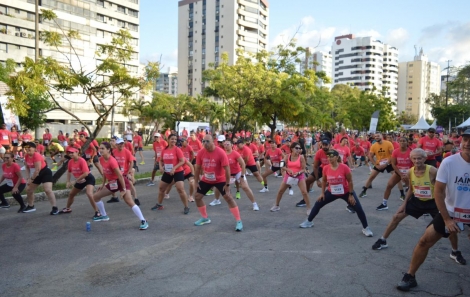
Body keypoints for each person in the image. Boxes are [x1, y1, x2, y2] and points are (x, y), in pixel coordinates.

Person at [396, 129, 470, 291]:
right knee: (424, 241)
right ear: (461, 141)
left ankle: (455, 251)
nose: (468, 143)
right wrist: (446, 219)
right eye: (465, 139)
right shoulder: (449, 162)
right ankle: (410, 276)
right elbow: (438, 191)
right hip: (451, 211)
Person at [299, 150, 374, 237]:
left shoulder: (344, 167)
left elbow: (350, 181)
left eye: (331, 156)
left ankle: (366, 228)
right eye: (328, 156)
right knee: (318, 203)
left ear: (337, 157)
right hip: (332, 192)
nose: (329, 158)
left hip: (346, 192)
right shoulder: (326, 168)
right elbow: (324, 180)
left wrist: (350, 195)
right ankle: (309, 221)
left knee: (358, 208)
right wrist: (322, 193)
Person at [92, 142, 148, 230]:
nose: (101, 150)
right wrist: (102, 185)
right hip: (113, 183)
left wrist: (123, 189)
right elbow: (105, 173)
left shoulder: (112, 161)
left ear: (108, 150)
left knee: (129, 201)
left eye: (103, 148)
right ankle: (104, 215)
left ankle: (143, 221)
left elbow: (120, 176)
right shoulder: (101, 159)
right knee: (95, 197)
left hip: (122, 182)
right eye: (100, 148)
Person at [192, 134, 243, 231]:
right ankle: (205, 218)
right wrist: (195, 181)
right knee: (197, 197)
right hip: (207, 179)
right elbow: (197, 167)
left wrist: (227, 185)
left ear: (213, 142)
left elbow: (227, 169)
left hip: (220, 179)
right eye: (204, 141)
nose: (205, 144)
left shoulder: (220, 152)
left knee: (228, 197)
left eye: (208, 141)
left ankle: (238, 220)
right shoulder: (200, 153)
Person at [209, 139, 260, 210]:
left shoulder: (235, 153)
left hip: (237, 173)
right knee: (218, 186)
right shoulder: (222, 154)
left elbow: (242, 164)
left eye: (228, 144)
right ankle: (217, 200)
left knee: (245, 187)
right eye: (225, 145)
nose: (226, 146)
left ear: (232, 145)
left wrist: (242, 176)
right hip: (228, 174)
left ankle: (254, 204)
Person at [151, 134, 190, 214]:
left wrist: (174, 168)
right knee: (161, 188)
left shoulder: (177, 149)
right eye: (172, 139)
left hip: (177, 171)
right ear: (168, 140)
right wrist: (161, 167)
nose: (174, 141)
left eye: (175, 139)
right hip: (167, 172)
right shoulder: (164, 150)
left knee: (180, 189)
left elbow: (182, 161)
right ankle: (159, 205)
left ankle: (186, 207)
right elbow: (160, 160)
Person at [270, 142, 311, 213]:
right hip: (289, 176)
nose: (298, 150)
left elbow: (304, 169)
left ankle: (309, 208)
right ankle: (276, 205)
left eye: (299, 148)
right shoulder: (287, 156)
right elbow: (282, 166)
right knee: (280, 191)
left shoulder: (301, 157)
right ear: (292, 149)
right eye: (296, 148)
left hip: (299, 176)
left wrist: (298, 172)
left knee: (304, 192)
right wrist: (288, 170)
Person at [22, 142, 58, 214]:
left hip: (44, 173)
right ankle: (31, 206)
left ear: (34, 149)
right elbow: (27, 168)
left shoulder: (37, 155)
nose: (27, 149)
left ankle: (55, 208)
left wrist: (31, 179)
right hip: (35, 174)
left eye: (29, 147)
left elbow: (37, 170)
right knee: (29, 190)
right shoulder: (26, 156)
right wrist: (28, 178)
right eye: (26, 148)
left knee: (47, 190)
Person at [376, 137, 412, 210]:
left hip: (410, 172)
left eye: (404, 141)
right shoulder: (395, 152)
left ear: (407, 142)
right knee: (389, 185)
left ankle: (417, 206)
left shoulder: (411, 152)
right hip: (399, 172)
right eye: (400, 141)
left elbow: (415, 164)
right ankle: (384, 204)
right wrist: (401, 175)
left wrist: (408, 174)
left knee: (412, 189)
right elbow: (393, 164)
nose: (402, 142)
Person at [61, 146, 99, 217]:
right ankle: (68, 208)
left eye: (72, 153)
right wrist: (68, 181)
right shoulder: (70, 162)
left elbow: (86, 173)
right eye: (69, 153)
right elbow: (69, 172)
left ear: (77, 152)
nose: (70, 154)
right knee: (71, 194)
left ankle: (97, 211)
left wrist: (75, 180)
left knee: (89, 194)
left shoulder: (82, 160)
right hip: (80, 180)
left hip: (88, 178)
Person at [359, 133, 395, 198]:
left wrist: (387, 163)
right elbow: (370, 156)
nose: (376, 137)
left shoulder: (388, 143)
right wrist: (375, 164)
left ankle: (402, 194)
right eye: (375, 136)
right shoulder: (374, 145)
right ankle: (364, 191)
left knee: (396, 176)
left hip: (388, 163)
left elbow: (393, 155)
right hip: (379, 163)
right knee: (371, 177)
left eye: (378, 136)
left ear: (382, 136)